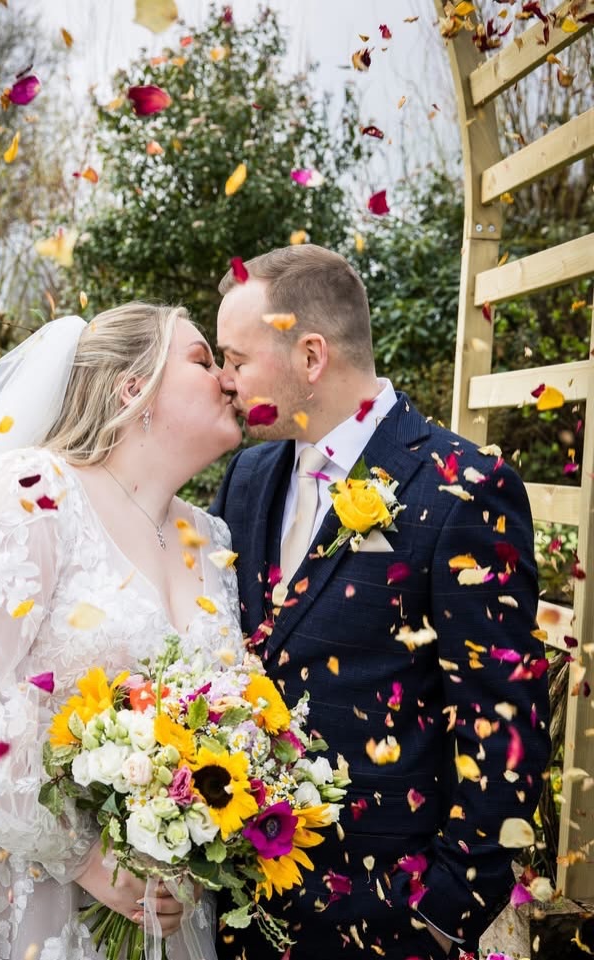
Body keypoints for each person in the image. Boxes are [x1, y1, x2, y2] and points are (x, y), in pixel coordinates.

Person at [211, 245, 551, 960]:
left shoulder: (462, 487)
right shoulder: (247, 477)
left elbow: (505, 728)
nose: (222, 380)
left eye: (236, 359)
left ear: (310, 357)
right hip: (245, 908)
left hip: (388, 924)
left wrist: (439, 915)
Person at [0, 303, 243, 960]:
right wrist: (87, 858)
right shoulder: (33, 491)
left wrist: (187, 841)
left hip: (161, 899)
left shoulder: (210, 538)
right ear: (135, 387)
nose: (228, 380)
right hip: (3, 868)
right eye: (203, 360)